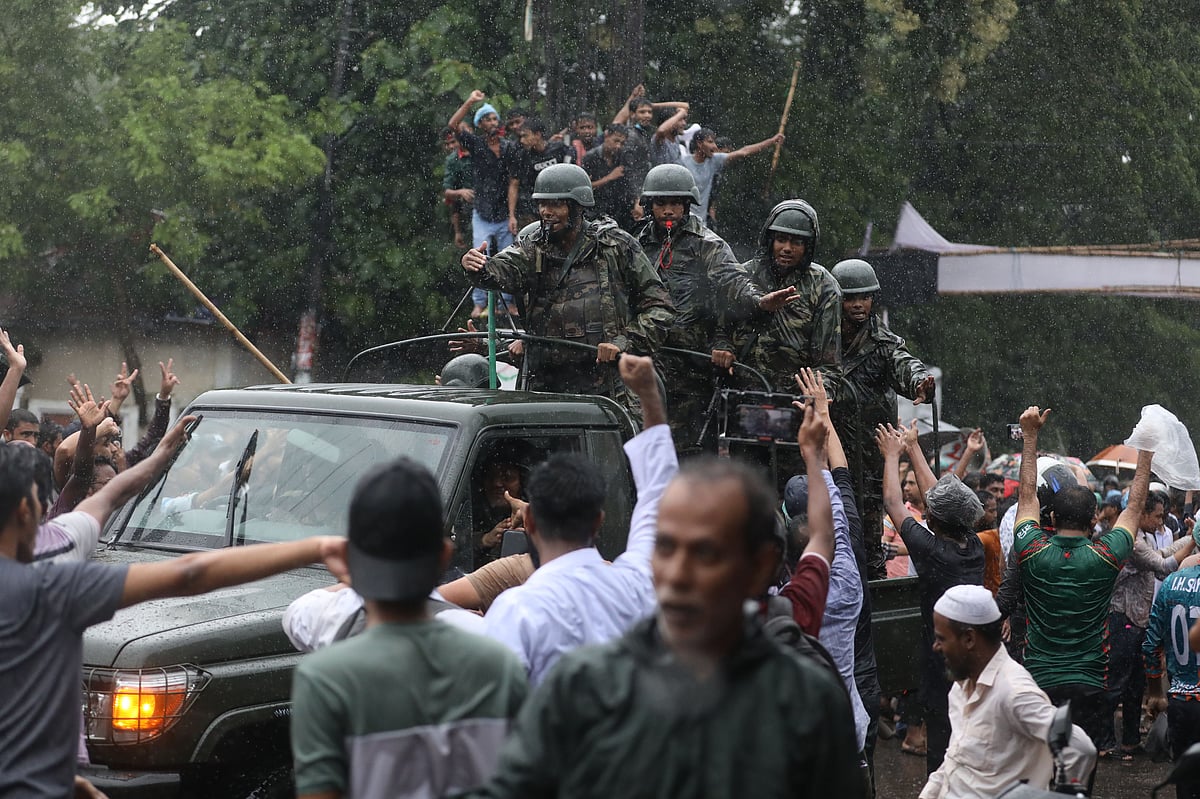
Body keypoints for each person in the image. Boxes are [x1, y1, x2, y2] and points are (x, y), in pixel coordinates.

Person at [463, 409, 862, 799]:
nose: (677, 574)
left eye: (706, 553)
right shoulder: (587, 683)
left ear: (759, 566)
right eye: (665, 547)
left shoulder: (806, 698)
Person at [0, 417, 349, 799]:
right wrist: (316, 548)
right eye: (40, 497)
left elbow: (110, 494)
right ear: (24, 510)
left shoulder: (55, 557)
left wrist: (160, 455)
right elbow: (189, 573)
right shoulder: (50, 584)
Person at [289, 458, 528, 799]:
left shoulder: (325, 679)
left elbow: (298, 613)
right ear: (445, 556)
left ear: (351, 556)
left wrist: (330, 558)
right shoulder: (499, 660)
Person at [481, 354, 675, 684]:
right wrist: (649, 398)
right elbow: (659, 497)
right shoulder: (637, 586)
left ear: (529, 523)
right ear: (598, 521)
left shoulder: (517, 612)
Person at [460, 163, 674, 422]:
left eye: (557, 205)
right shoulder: (533, 247)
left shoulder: (615, 246)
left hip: (606, 392)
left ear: (577, 207)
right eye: (542, 205)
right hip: (546, 391)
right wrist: (479, 266)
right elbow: (504, 268)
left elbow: (660, 308)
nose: (546, 212)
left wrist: (623, 343)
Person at [633, 164, 797, 452]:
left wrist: (760, 300)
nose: (668, 211)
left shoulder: (707, 244)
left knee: (689, 455)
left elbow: (733, 280)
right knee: (644, 449)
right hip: (646, 362)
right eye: (661, 203)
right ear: (650, 205)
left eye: (675, 203)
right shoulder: (637, 243)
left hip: (690, 371)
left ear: (687, 205)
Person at [1013, 405, 1142, 747]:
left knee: (1041, 767)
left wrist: (1029, 436)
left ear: (1051, 516)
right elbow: (1134, 509)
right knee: (1081, 766)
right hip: (1090, 683)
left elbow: (1026, 496)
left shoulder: (1033, 550)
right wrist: (1147, 451)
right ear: (1094, 521)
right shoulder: (1104, 556)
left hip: (1039, 681)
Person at [920, 585, 1096, 799]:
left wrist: (1066, 794)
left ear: (969, 639)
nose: (936, 647)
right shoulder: (961, 688)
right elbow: (956, 761)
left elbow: (1080, 746)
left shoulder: (1014, 692)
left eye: (942, 638)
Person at [878, 423, 985, 774]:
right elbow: (940, 500)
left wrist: (892, 456)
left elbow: (894, 502)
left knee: (941, 746)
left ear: (933, 519)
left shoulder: (931, 551)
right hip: (973, 660)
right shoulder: (973, 546)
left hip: (942, 662)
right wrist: (912, 448)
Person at [828, 258, 934, 580]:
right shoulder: (820, 337)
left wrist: (919, 382)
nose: (859, 304)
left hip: (868, 458)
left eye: (865, 297)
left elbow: (904, 363)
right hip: (826, 451)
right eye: (850, 297)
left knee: (869, 538)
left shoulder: (883, 343)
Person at [1098, 491, 1193, 759]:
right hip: (1123, 618)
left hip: (1138, 619)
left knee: (1135, 684)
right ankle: (1105, 743)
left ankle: (1129, 742)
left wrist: (1189, 538)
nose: (1161, 521)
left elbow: (1162, 551)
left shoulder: (1143, 538)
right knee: (1116, 683)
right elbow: (1163, 565)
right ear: (1141, 514)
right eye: (1158, 516)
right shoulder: (1129, 541)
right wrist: (1194, 540)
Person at [731, 199, 841, 395]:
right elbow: (720, 324)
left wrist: (817, 396)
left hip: (794, 396)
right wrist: (722, 347)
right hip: (738, 390)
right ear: (770, 240)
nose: (787, 248)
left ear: (808, 246)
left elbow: (828, 363)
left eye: (797, 242)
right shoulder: (744, 274)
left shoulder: (823, 285)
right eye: (781, 239)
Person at [447, 90, 517, 318]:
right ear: (479, 124)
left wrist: (513, 215)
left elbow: (512, 184)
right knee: (479, 256)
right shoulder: (476, 145)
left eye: (495, 118)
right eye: (487, 119)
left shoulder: (508, 148)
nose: (492, 122)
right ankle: (479, 301)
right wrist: (470, 101)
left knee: (509, 256)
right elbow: (454, 123)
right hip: (483, 212)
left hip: (504, 212)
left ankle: (507, 302)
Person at [1146, 555, 1200, 798]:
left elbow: (1151, 646)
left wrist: (1156, 693)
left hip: (1181, 700)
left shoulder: (1170, 584)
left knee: (1186, 785)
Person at [683, 127, 784, 224]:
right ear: (699, 143)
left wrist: (772, 141)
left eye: (714, 142)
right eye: (710, 142)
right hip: (683, 221)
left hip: (701, 223)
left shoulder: (713, 161)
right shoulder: (683, 163)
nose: (714, 146)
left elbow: (744, 152)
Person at [506, 117, 574, 237]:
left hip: (558, 205)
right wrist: (511, 216)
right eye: (520, 136)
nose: (522, 140)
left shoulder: (559, 149)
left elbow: (571, 171)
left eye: (525, 136)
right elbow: (514, 185)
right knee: (531, 242)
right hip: (530, 208)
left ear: (537, 135)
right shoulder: (522, 156)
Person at [582, 124, 635, 231]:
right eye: (616, 141)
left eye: (622, 143)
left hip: (620, 211)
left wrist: (636, 202)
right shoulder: (590, 157)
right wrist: (609, 177)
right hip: (596, 212)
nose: (618, 146)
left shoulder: (623, 156)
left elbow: (630, 182)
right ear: (606, 136)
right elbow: (585, 187)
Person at [442, 126, 474, 250]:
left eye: (453, 142)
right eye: (447, 144)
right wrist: (457, 232)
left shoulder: (482, 150)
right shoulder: (452, 161)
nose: (451, 146)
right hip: (469, 211)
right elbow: (450, 196)